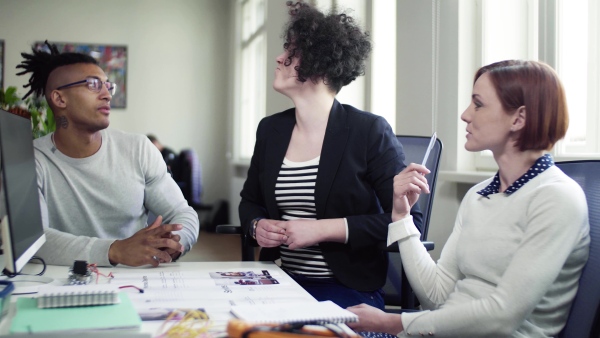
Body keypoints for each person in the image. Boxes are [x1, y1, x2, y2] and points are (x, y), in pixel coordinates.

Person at [347, 60, 590, 337]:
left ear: (518, 118)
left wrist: (393, 323)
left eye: (478, 104)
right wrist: (402, 218)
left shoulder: (557, 198)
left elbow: (502, 316)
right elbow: (436, 296)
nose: (465, 115)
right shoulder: (479, 195)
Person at [238, 2, 423, 310]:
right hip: (282, 280)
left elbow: (407, 221)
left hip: (349, 289)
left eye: (292, 53)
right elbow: (249, 201)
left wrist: (322, 229)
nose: (280, 58)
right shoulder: (271, 130)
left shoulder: (369, 131)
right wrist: (257, 225)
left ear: (320, 65)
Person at [16, 41, 199, 267]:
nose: (107, 95)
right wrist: (115, 250)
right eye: (93, 84)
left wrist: (173, 244)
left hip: (135, 283)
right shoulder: (30, 160)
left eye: (107, 86)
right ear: (59, 98)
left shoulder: (139, 149)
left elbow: (183, 213)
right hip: (62, 285)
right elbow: (34, 242)